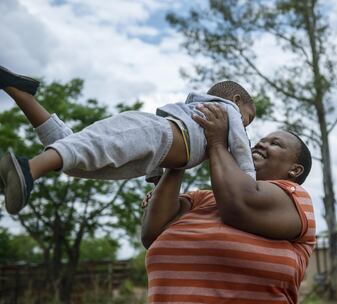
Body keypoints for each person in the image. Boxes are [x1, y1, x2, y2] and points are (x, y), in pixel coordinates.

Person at [0, 66, 256, 215]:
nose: (245, 126)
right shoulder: (226, 112)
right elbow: (241, 150)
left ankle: (21, 94)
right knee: (89, 148)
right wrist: (250, 182)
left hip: (154, 149)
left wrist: (156, 184)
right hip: (153, 131)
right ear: (235, 101)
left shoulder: (203, 121)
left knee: (79, 159)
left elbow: (167, 154)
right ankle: (29, 169)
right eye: (248, 118)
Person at [141, 103, 315, 304]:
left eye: (275, 144)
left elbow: (238, 205)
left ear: (295, 170)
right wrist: (186, 147)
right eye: (260, 141)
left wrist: (217, 143)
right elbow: (152, 234)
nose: (260, 145)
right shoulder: (201, 199)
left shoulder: (295, 199)